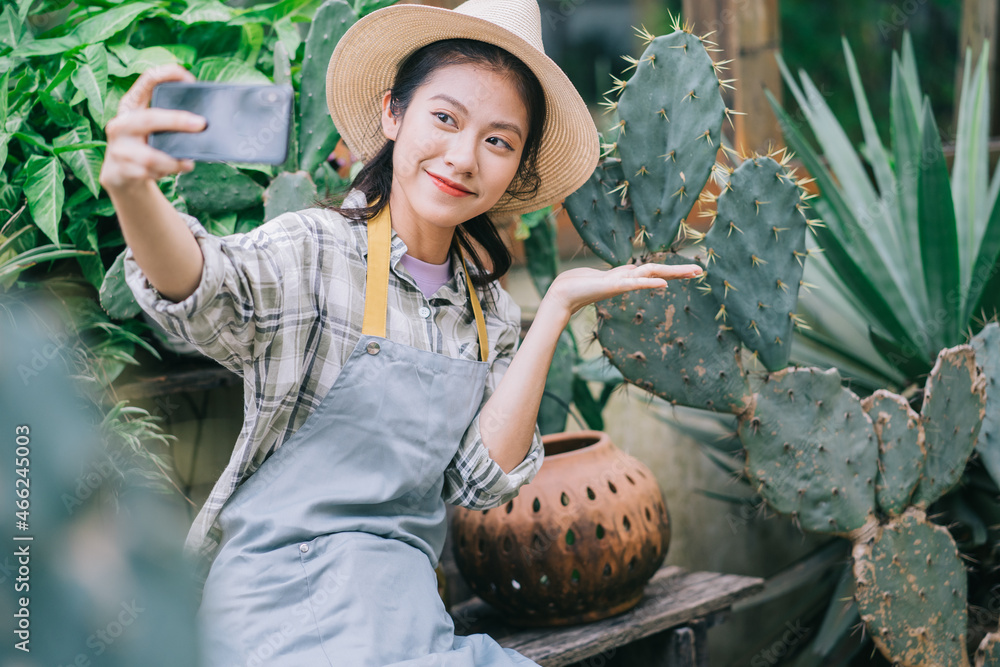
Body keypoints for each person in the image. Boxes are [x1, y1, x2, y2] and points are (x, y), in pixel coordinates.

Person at [98, 0, 704, 664]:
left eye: (499, 140)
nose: (464, 157)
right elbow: (206, 290)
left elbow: (480, 481)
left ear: (518, 166)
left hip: (408, 623)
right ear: (394, 114)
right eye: (444, 118)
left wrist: (555, 307)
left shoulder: (488, 312)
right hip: (275, 617)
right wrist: (134, 194)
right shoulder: (318, 250)